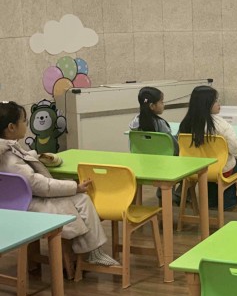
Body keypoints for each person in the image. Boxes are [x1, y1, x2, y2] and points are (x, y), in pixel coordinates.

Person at [0, 101, 117, 266]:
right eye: (24, 121)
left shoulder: (7, 150)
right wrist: (75, 187)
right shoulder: (9, 158)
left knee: (81, 200)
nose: (26, 124)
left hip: (17, 201)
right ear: (11, 127)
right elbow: (42, 186)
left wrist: (35, 157)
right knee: (81, 198)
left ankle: (90, 253)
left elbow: (24, 166)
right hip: (25, 205)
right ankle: (90, 253)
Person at [179, 85, 237, 209]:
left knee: (210, 170)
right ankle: (228, 200)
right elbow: (236, 148)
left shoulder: (185, 124)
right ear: (206, 104)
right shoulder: (221, 124)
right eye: (215, 100)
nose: (218, 103)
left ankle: (212, 199)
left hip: (194, 170)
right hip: (219, 170)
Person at [129, 86, 178, 155]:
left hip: (142, 159)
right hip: (164, 159)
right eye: (162, 102)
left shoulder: (134, 123)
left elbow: (133, 146)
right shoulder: (160, 124)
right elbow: (174, 148)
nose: (163, 105)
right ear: (152, 106)